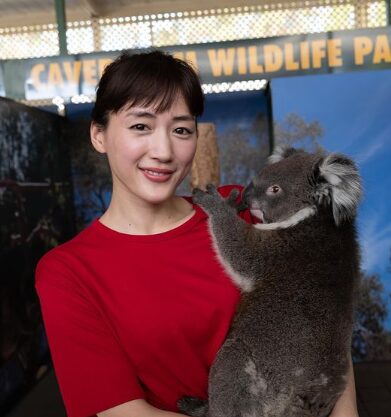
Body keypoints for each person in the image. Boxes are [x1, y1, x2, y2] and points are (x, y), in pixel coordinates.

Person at [35, 51, 359, 417]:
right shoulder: (68, 272)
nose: (164, 151)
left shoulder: (242, 209)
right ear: (99, 134)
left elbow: (326, 314)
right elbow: (121, 411)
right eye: (140, 126)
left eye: (181, 129)